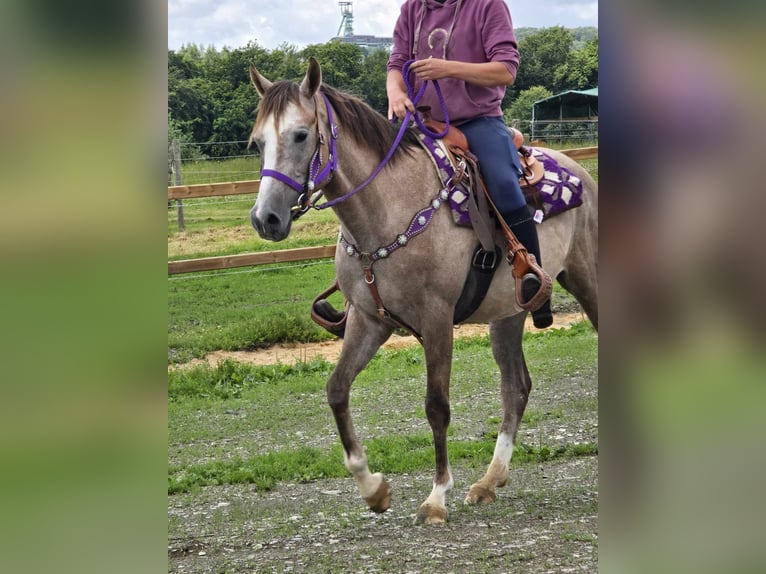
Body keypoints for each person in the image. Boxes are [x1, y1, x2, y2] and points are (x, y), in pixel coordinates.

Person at [386, 0, 553, 328]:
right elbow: (397, 61)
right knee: (372, 176)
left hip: (477, 121)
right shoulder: (412, 8)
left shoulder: (488, 5)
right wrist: (395, 92)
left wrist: (447, 68)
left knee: (504, 185)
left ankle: (532, 279)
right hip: (421, 121)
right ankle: (361, 289)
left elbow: (506, 69)